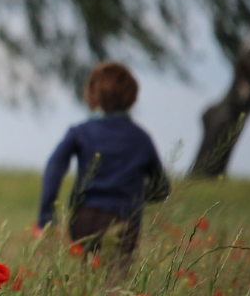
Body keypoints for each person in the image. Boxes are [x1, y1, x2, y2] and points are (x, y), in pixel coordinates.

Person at [36, 61, 170, 263]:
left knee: (87, 276)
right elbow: (162, 188)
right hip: (124, 219)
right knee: (116, 281)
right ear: (131, 97)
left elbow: (54, 166)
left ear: (92, 94)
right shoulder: (141, 138)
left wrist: (46, 215)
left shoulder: (80, 132)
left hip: (84, 217)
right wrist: (134, 195)